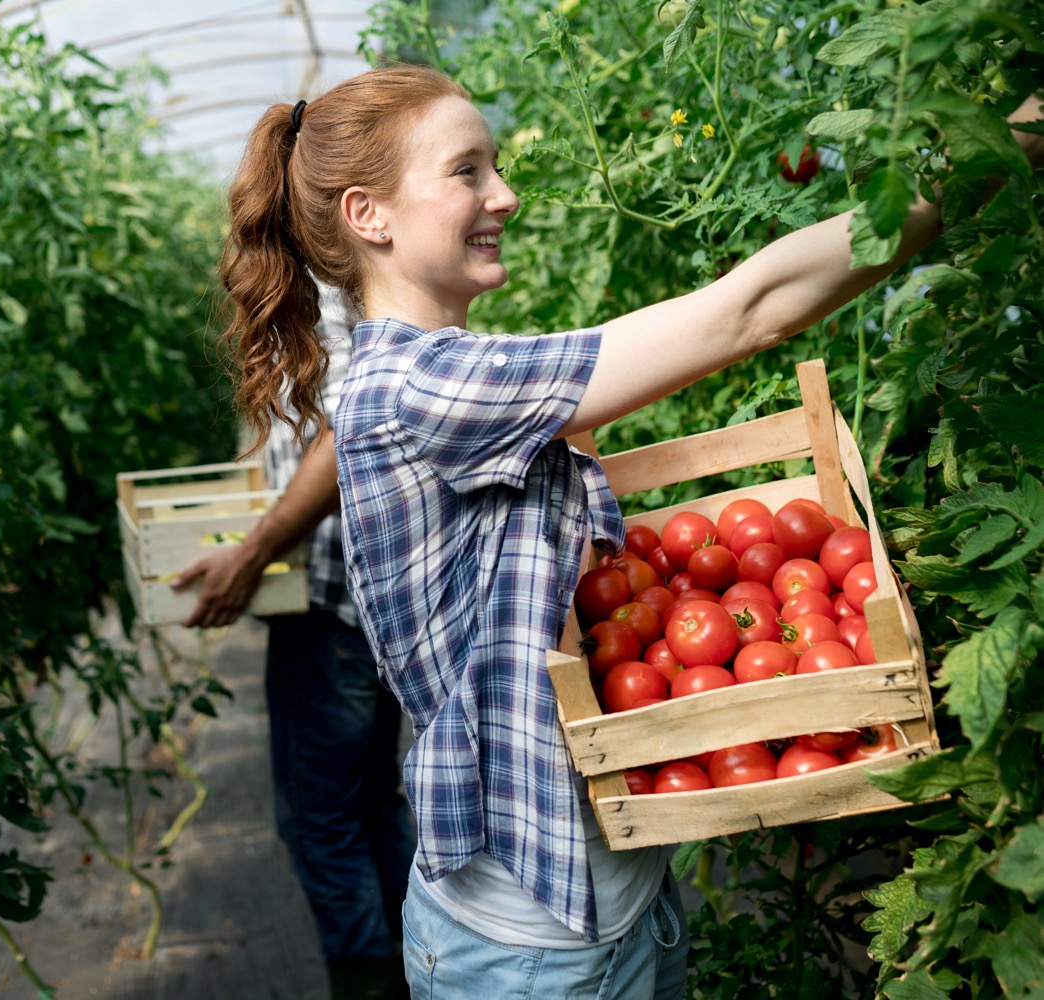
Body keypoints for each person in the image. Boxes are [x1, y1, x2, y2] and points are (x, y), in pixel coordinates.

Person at [215, 62, 1044, 999]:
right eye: (468, 172)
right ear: (370, 215)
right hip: (533, 947)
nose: (506, 195)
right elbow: (752, 311)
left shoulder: (446, 369)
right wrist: (991, 153)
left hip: (609, 891)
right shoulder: (422, 387)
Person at [171, 283, 416, 1000]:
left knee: (321, 823)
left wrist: (253, 552)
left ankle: (375, 984)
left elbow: (349, 433)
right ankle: (421, 975)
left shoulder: (322, 284)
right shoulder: (340, 280)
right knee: (369, 802)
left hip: (330, 598)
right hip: (362, 596)